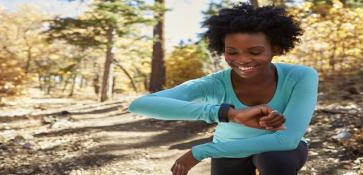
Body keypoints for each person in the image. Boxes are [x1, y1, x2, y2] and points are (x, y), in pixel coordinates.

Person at [128, 3, 318, 175]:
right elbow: (140, 104)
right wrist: (227, 114)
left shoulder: (300, 76)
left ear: (275, 48)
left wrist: (200, 152)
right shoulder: (214, 83)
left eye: (255, 52)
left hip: (279, 151)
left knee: (274, 160)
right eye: (232, 52)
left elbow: (287, 140)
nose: (243, 60)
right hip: (229, 148)